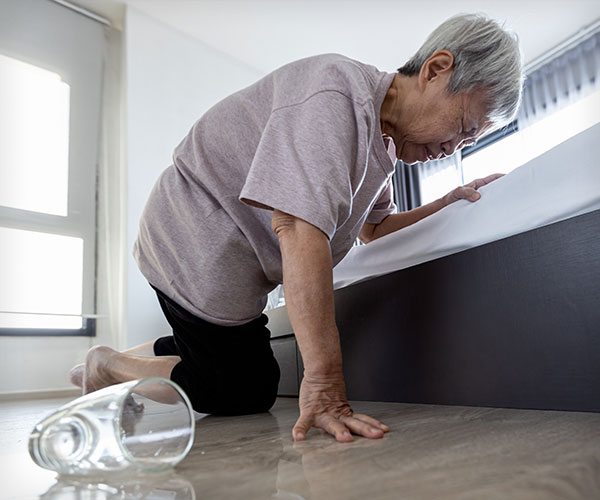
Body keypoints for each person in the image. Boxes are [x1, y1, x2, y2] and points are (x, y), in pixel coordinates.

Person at [69, 13, 524, 442]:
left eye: (469, 142)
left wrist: (447, 203)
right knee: (238, 389)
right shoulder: (335, 93)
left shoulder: (380, 149)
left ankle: (120, 361)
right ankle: (107, 366)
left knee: (229, 363)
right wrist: (324, 384)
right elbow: (298, 226)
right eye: (462, 126)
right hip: (195, 241)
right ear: (436, 69)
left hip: (231, 261)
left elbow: (376, 228)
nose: (453, 149)